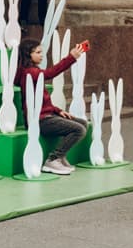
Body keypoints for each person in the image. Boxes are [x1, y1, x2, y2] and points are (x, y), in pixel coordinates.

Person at [15, 38, 88, 174]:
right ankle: (53, 159)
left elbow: (42, 100)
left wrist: (58, 110)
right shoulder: (31, 72)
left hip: (46, 115)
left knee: (82, 123)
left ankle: (61, 156)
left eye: (41, 52)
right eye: (37, 52)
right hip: (40, 120)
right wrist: (71, 57)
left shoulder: (32, 71)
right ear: (28, 55)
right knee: (79, 130)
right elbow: (51, 73)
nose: (41, 55)